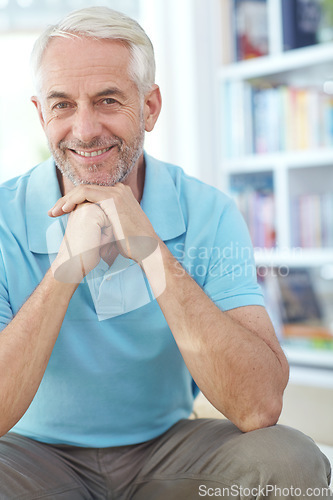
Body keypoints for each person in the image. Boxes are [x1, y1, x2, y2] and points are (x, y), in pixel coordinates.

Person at [0, 6, 331, 499]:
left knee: (291, 461)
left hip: (166, 452)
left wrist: (151, 251)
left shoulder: (208, 211)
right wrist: (67, 265)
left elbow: (258, 405)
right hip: (32, 458)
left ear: (150, 107)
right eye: (63, 104)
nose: (85, 129)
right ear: (40, 113)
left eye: (108, 100)